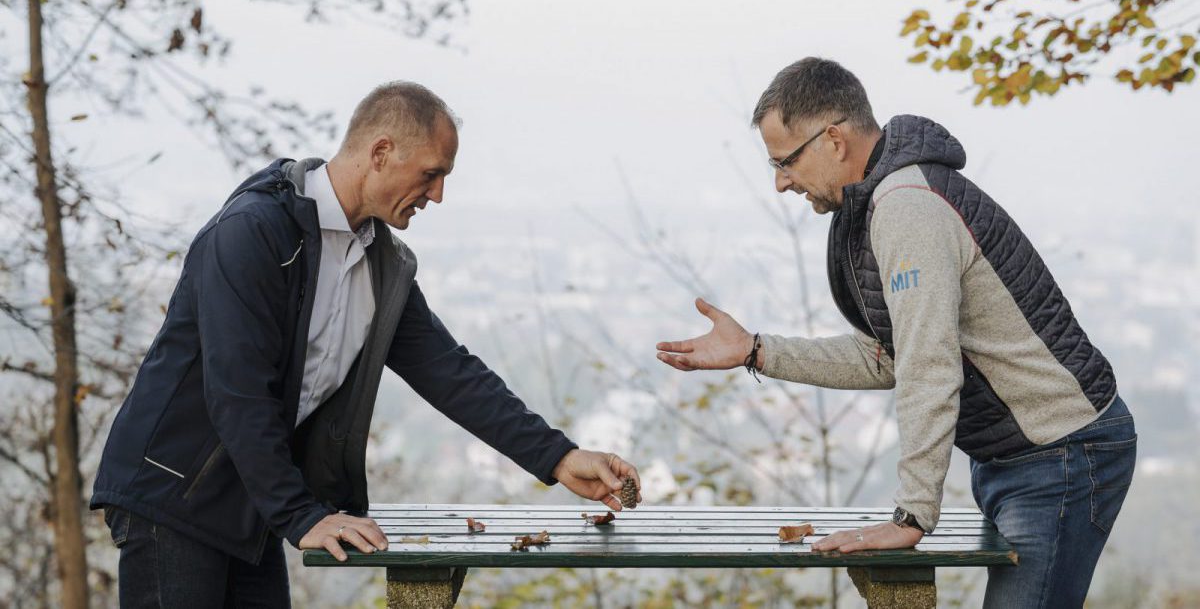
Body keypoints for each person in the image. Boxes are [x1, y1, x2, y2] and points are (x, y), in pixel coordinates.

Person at [92, 81, 640, 607]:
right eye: (431, 174)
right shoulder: (252, 232)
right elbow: (238, 393)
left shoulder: (381, 263)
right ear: (380, 152)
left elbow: (449, 372)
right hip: (172, 499)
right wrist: (300, 515)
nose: (439, 195)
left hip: (252, 502)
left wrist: (559, 456)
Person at [655, 58, 1135, 608]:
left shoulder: (906, 206)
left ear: (833, 139)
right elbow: (890, 356)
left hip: (1062, 455)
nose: (781, 181)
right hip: (1019, 455)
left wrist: (911, 516)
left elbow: (929, 368)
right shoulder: (877, 203)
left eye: (785, 161)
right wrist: (756, 351)